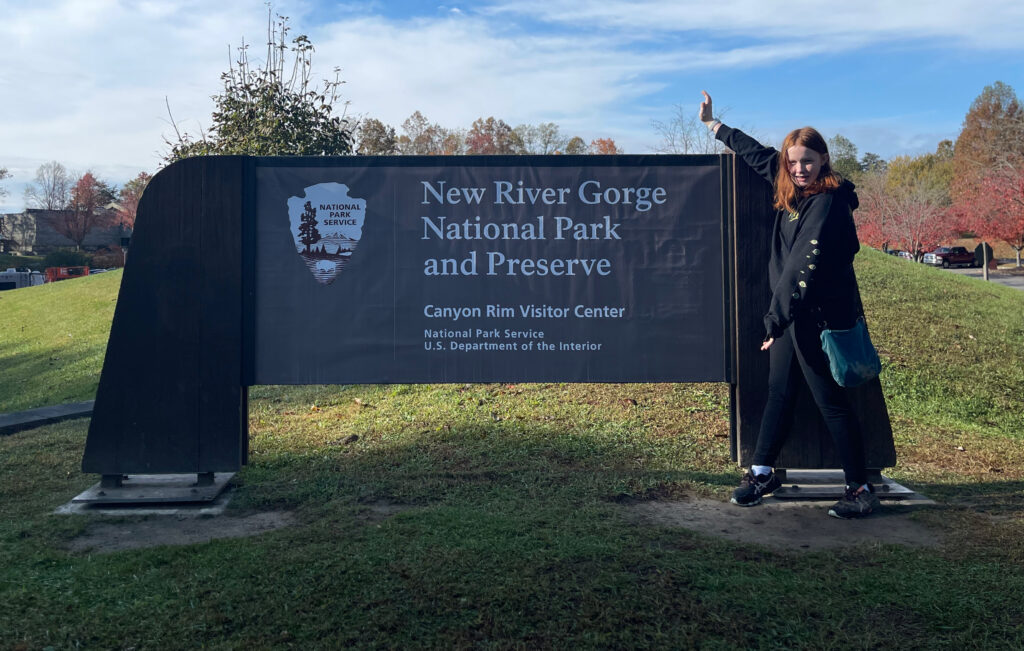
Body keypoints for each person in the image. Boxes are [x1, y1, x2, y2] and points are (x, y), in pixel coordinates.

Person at [699, 91, 881, 519]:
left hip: (816, 321)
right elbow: (757, 155)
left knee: (831, 403)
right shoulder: (791, 187)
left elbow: (803, 266)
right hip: (791, 321)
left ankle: (859, 488)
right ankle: (761, 472)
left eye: (808, 161)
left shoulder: (827, 201)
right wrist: (713, 125)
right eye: (793, 161)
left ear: (823, 160)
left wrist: (774, 321)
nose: (799, 169)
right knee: (779, 393)